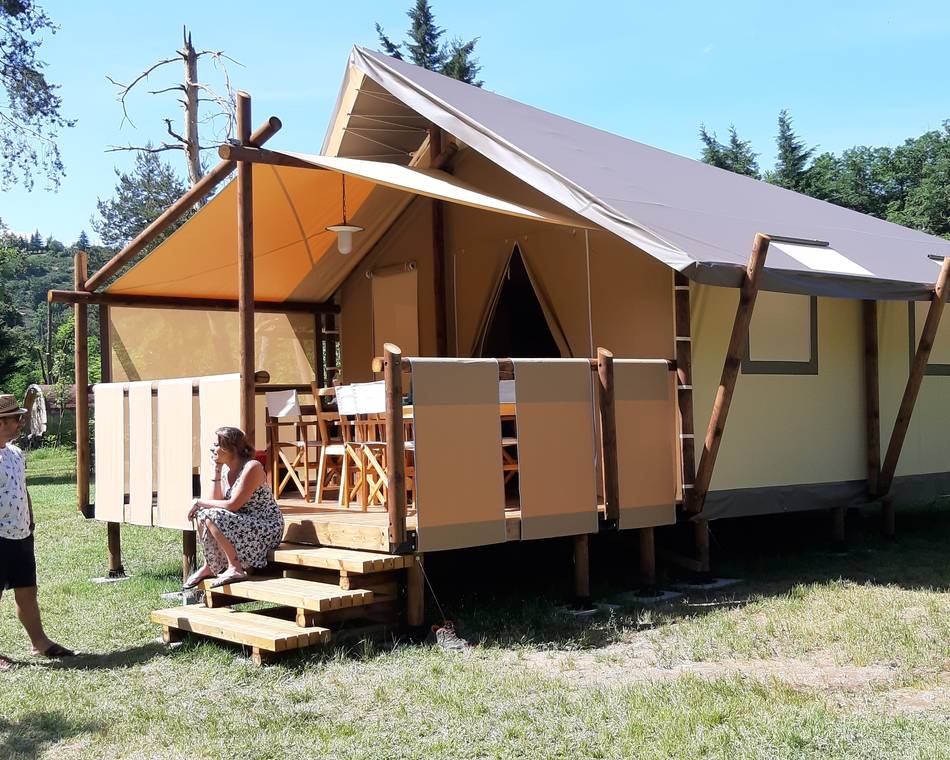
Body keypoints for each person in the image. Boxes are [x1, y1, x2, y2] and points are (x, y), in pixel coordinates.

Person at [0, 393, 75, 668]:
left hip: (20, 533)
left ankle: (39, 642)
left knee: (27, 589)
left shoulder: (16, 454)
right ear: (0, 422)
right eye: (15, 419)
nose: (20, 423)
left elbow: (21, 488)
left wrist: (29, 519)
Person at [183, 426, 284, 589]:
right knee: (204, 513)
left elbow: (233, 504)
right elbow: (215, 501)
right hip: (242, 522)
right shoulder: (226, 471)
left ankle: (235, 568)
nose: (212, 448)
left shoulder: (252, 467)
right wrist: (217, 470)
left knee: (210, 513)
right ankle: (211, 565)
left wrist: (199, 502)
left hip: (266, 526)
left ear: (230, 448)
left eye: (216, 444)